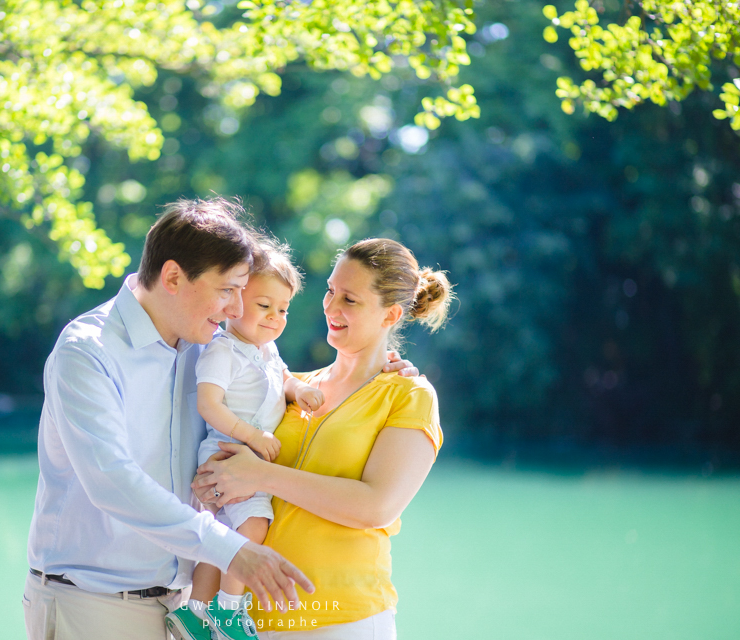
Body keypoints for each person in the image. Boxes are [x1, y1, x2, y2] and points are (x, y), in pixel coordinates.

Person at [23, 198, 315, 640]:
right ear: (174, 277)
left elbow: (271, 379)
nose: (237, 310)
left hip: (181, 607)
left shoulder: (206, 345)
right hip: (91, 605)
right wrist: (233, 551)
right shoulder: (87, 352)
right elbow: (113, 481)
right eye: (227, 290)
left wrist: (374, 369)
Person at [194, 238, 455, 639]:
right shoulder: (287, 385)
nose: (331, 308)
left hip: (342, 621)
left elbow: (376, 507)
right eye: (331, 291)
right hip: (250, 624)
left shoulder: (408, 395)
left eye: (350, 299)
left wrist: (260, 475)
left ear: (392, 315)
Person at [165, 243, 325, 640]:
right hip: (230, 451)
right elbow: (209, 404)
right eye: (265, 306)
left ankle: (194, 615)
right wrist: (252, 436)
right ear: (236, 301)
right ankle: (230, 608)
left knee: (217, 537)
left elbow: (280, 378)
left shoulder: (265, 348)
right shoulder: (223, 349)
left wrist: (296, 390)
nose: (275, 318)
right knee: (254, 526)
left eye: (283, 309)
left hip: (243, 455)